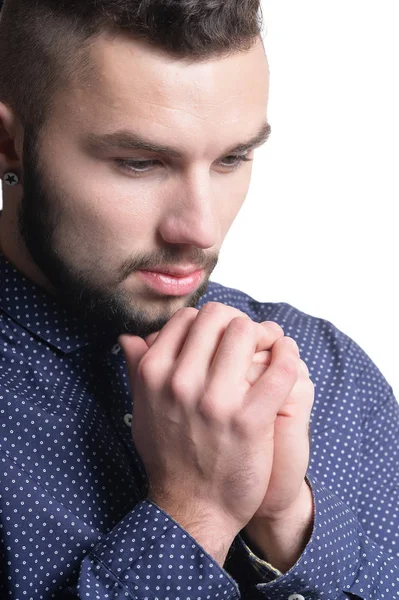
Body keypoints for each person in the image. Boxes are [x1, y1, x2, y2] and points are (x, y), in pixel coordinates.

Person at [0, 0, 398, 598]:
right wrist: (197, 514)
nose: (201, 229)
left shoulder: (328, 372)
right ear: (9, 145)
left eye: (232, 158)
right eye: (140, 163)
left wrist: (287, 523)